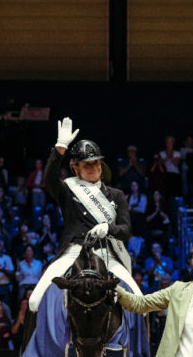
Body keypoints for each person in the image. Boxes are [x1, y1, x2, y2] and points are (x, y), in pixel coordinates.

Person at [28, 117, 142, 313]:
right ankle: (31, 344)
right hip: (73, 251)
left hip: (106, 253)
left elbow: (126, 232)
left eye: (97, 163)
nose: (95, 168)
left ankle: (137, 343)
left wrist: (108, 228)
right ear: (76, 168)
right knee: (34, 301)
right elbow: (49, 178)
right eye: (88, 165)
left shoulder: (117, 195)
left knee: (139, 301)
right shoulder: (67, 191)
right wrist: (60, 149)